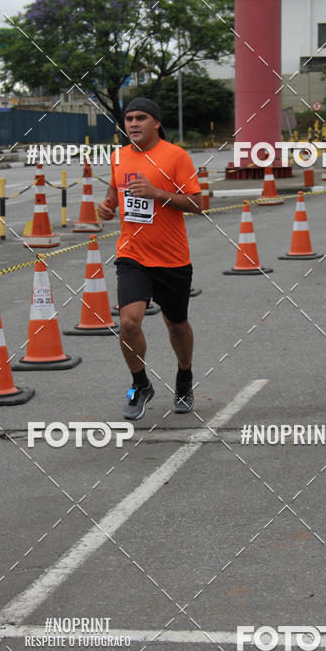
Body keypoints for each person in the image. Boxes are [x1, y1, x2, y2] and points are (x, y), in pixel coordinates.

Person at [97, 97, 203, 420]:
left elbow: (197, 204)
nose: (133, 124)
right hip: (132, 254)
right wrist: (107, 207)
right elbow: (114, 195)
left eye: (140, 118)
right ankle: (140, 384)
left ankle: (184, 378)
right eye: (129, 118)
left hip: (172, 258)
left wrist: (157, 193)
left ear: (156, 123)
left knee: (177, 324)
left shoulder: (176, 156)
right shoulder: (118, 157)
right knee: (129, 322)